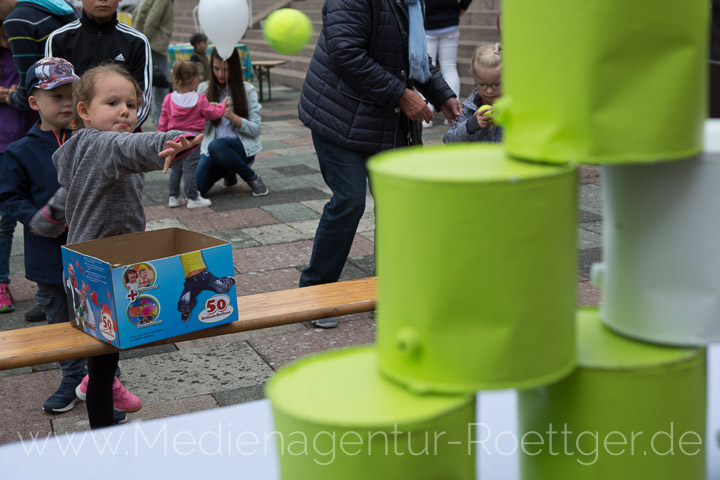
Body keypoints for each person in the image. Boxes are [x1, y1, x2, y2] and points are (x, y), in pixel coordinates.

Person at [53, 63, 202, 428]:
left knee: (106, 351)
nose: (125, 111)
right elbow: (135, 145)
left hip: (93, 265)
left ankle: (104, 382)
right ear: (84, 111)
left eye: (132, 105)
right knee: (103, 359)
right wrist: (171, 139)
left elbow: (71, 193)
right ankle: (102, 430)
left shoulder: (81, 146)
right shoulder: (105, 144)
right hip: (104, 270)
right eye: (113, 102)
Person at [297, 0, 461, 327]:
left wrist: (442, 94)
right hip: (337, 116)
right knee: (349, 200)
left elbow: (413, 55)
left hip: (384, 120)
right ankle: (316, 291)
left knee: (396, 204)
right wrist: (403, 95)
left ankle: (390, 292)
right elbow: (346, 53)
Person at [0, 57, 90, 414]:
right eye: (56, 96)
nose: (67, 103)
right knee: (60, 322)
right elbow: (8, 197)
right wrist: (36, 218)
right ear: (34, 102)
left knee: (99, 317)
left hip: (91, 253)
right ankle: (71, 377)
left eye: (72, 94)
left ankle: (103, 378)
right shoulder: (19, 151)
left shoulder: (90, 140)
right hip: (48, 259)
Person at [44, 0, 152, 128]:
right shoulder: (59, 39)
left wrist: (114, 134)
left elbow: (142, 100)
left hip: (121, 138)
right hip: (71, 136)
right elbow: (52, 95)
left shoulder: (137, 42)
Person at [196, 47, 268, 197]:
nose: (221, 74)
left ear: (234, 69)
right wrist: (207, 114)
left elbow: (256, 129)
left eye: (226, 70)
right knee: (197, 188)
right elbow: (198, 129)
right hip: (211, 148)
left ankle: (251, 177)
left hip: (240, 147)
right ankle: (229, 169)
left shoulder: (247, 90)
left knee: (216, 146)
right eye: (216, 69)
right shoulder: (203, 89)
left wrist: (231, 116)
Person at [0, 21, 36, 314]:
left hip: (34, 138)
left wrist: (13, 95)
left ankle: (46, 283)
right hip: (3, 144)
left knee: (42, 214)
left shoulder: (27, 48)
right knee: (4, 219)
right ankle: (1, 282)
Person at [158, 60, 226, 209]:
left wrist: (160, 139)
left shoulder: (169, 99)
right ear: (195, 80)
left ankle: (174, 196)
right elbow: (212, 114)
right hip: (193, 139)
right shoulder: (200, 99)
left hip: (173, 138)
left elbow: (162, 121)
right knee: (190, 168)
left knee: (176, 168)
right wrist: (222, 106)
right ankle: (193, 198)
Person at [1, 0, 77, 111]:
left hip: (53, 108)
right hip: (78, 97)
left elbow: (27, 86)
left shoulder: (16, 20)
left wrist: (10, 97)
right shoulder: (61, 5)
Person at [421, 0, 471, 128]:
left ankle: (426, 116)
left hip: (428, 23)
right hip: (450, 21)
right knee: (449, 68)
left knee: (425, 69)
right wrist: (460, 9)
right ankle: (456, 113)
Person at [443, 43, 502, 144]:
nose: (489, 91)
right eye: (482, 85)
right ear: (474, 78)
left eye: (496, 85)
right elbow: (448, 140)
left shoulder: (516, 106)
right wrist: (470, 125)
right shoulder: (470, 108)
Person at [132, 0, 174, 126]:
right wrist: (144, 40)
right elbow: (152, 19)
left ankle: (157, 117)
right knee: (162, 82)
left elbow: (137, 15)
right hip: (156, 43)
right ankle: (160, 120)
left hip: (150, 42)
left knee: (155, 81)